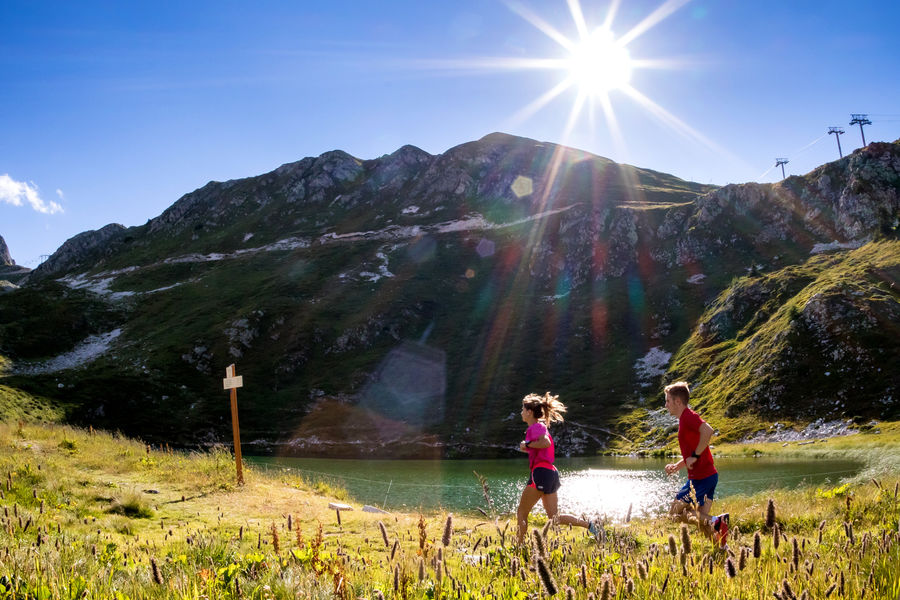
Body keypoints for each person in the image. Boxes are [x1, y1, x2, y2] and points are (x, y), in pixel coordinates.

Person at [515, 392, 601, 545]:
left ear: (529, 412)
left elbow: (546, 442)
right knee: (554, 518)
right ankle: (591, 525)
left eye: (523, 409)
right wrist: (526, 447)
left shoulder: (536, 427)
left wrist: (527, 445)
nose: (521, 413)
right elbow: (540, 447)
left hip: (540, 472)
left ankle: (519, 547)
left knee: (521, 512)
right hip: (550, 472)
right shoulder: (538, 428)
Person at [663, 381, 729, 547]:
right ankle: (722, 548)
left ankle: (718, 521)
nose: (666, 405)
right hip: (707, 476)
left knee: (674, 513)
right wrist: (677, 466)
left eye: (668, 401)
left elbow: (708, 430)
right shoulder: (684, 419)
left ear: (678, 402)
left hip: (701, 478)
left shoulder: (688, 417)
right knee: (701, 520)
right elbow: (692, 453)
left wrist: (695, 455)